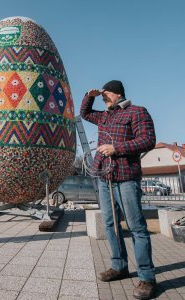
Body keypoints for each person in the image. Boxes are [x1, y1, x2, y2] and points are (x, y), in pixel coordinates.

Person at [80, 80, 156, 300]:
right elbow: (84, 113)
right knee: (110, 224)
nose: (103, 98)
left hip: (126, 177)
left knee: (137, 227)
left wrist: (117, 148)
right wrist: (90, 95)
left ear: (116, 94)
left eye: (105, 95)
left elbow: (148, 140)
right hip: (105, 177)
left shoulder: (136, 112)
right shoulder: (104, 116)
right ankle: (119, 266)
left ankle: (147, 277)